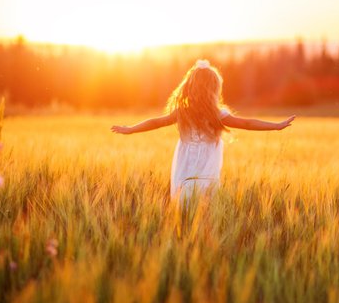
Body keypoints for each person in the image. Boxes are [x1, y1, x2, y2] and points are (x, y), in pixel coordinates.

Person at [111, 59, 296, 200]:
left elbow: (156, 122)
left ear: (189, 86)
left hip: (184, 167)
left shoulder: (182, 112)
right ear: (214, 89)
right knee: (205, 201)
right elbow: (248, 123)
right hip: (208, 168)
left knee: (183, 199)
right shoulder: (218, 114)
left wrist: (131, 129)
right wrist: (276, 126)